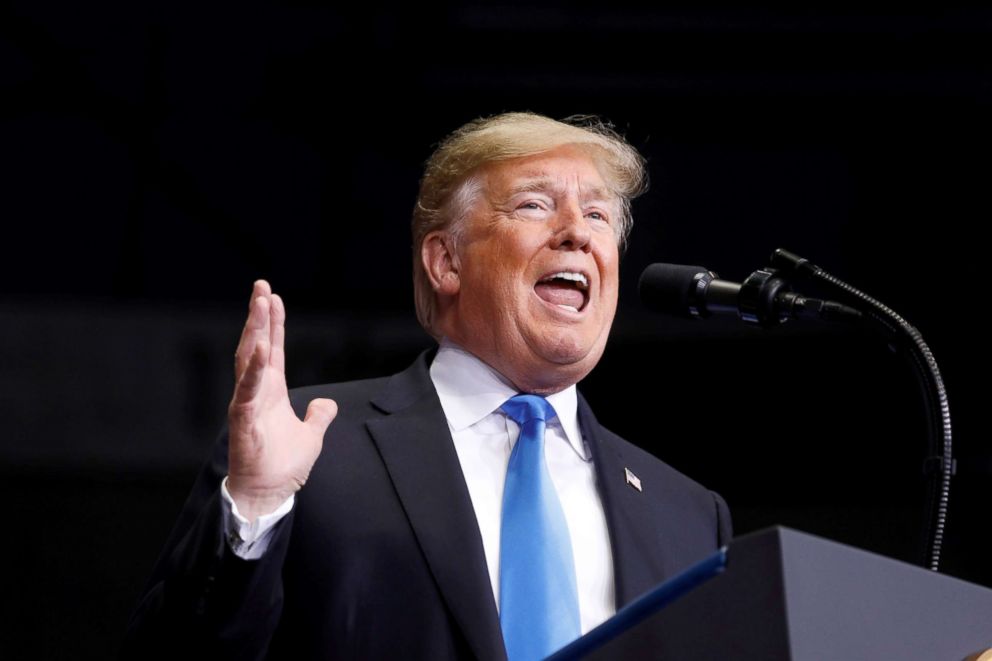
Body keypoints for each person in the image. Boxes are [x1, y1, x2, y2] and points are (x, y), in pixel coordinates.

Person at [123, 112, 731, 661]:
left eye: (598, 215)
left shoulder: (688, 516)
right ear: (445, 262)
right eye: (533, 205)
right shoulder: (314, 447)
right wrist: (254, 508)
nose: (577, 232)